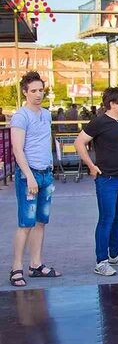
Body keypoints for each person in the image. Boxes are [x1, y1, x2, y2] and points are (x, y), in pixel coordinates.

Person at [74, 87, 118, 276]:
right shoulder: (99, 122)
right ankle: (101, 261)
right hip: (107, 180)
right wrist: (91, 165)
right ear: (112, 104)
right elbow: (79, 142)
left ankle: (115, 254)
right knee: (106, 219)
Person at [9, 71, 61, 287]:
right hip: (28, 174)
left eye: (41, 90)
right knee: (26, 223)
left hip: (45, 173)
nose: (38, 94)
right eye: (34, 91)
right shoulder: (21, 116)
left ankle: (36, 264)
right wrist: (29, 176)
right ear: (25, 92)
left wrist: (50, 167)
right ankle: (16, 268)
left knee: (41, 221)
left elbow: (45, 142)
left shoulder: (46, 114)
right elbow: (17, 149)